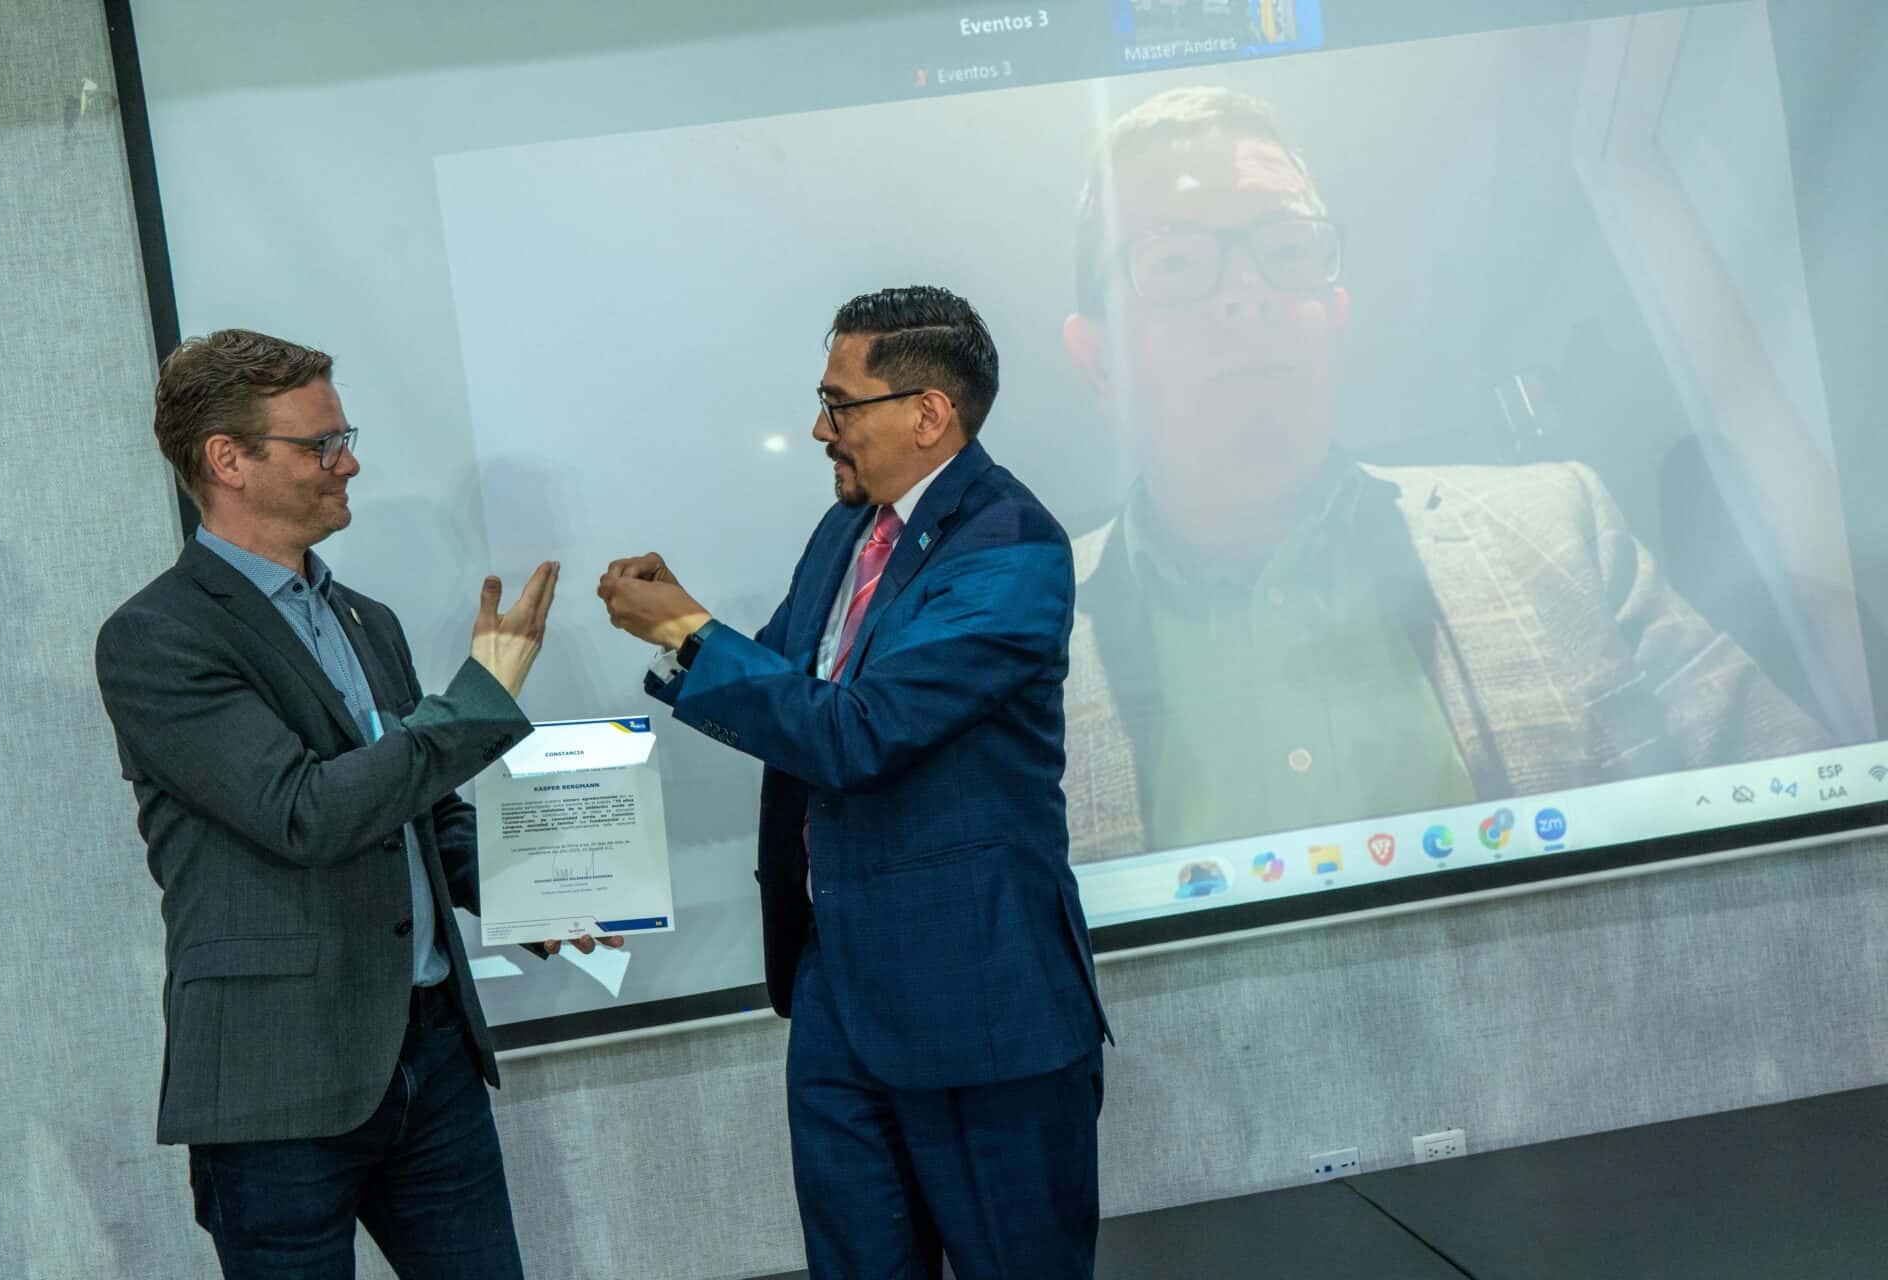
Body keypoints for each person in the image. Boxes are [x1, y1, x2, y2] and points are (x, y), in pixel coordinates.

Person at [1057, 87, 1831, 862]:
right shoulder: (994, 646)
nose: (1247, 294)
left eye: (1287, 252)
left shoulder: (1563, 522)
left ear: (1335, 311)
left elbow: (1821, 839)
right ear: (1098, 359)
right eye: (1175, 262)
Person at [598, 287, 1111, 1278]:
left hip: (979, 1000)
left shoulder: (1012, 548)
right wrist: (694, 633)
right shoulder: (849, 530)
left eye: (841, 405)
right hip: (838, 982)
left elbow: (862, 731)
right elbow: (793, 685)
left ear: (928, 414)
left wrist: (686, 630)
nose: (818, 428)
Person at [95, 329, 608, 1278]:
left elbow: (425, 809)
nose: (351, 461)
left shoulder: (366, 618)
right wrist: (480, 698)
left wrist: (526, 892)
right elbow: (306, 813)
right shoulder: (157, 638)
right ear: (229, 460)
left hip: (434, 1059)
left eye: (346, 435)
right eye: (322, 444)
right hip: (278, 1083)